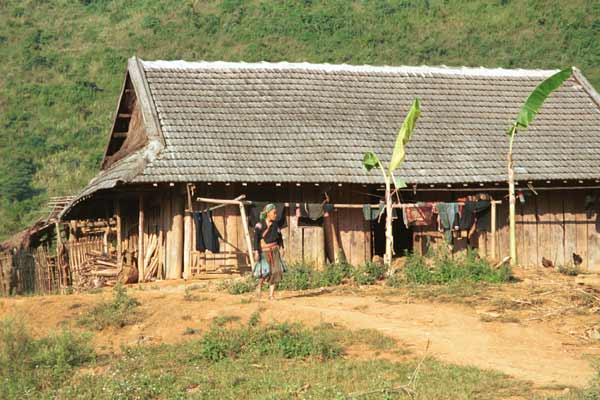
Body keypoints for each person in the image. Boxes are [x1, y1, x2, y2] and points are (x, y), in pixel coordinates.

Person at [253, 203, 285, 300]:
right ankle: (259, 286)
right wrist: (256, 251)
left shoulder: (276, 225)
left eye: (276, 213)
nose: (276, 215)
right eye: (274, 213)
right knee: (265, 272)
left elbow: (280, 237)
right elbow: (256, 239)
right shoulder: (259, 224)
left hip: (274, 250)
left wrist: (282, 247)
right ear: (268, 213)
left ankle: (271, 295)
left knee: (276, 271)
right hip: (264, 251)